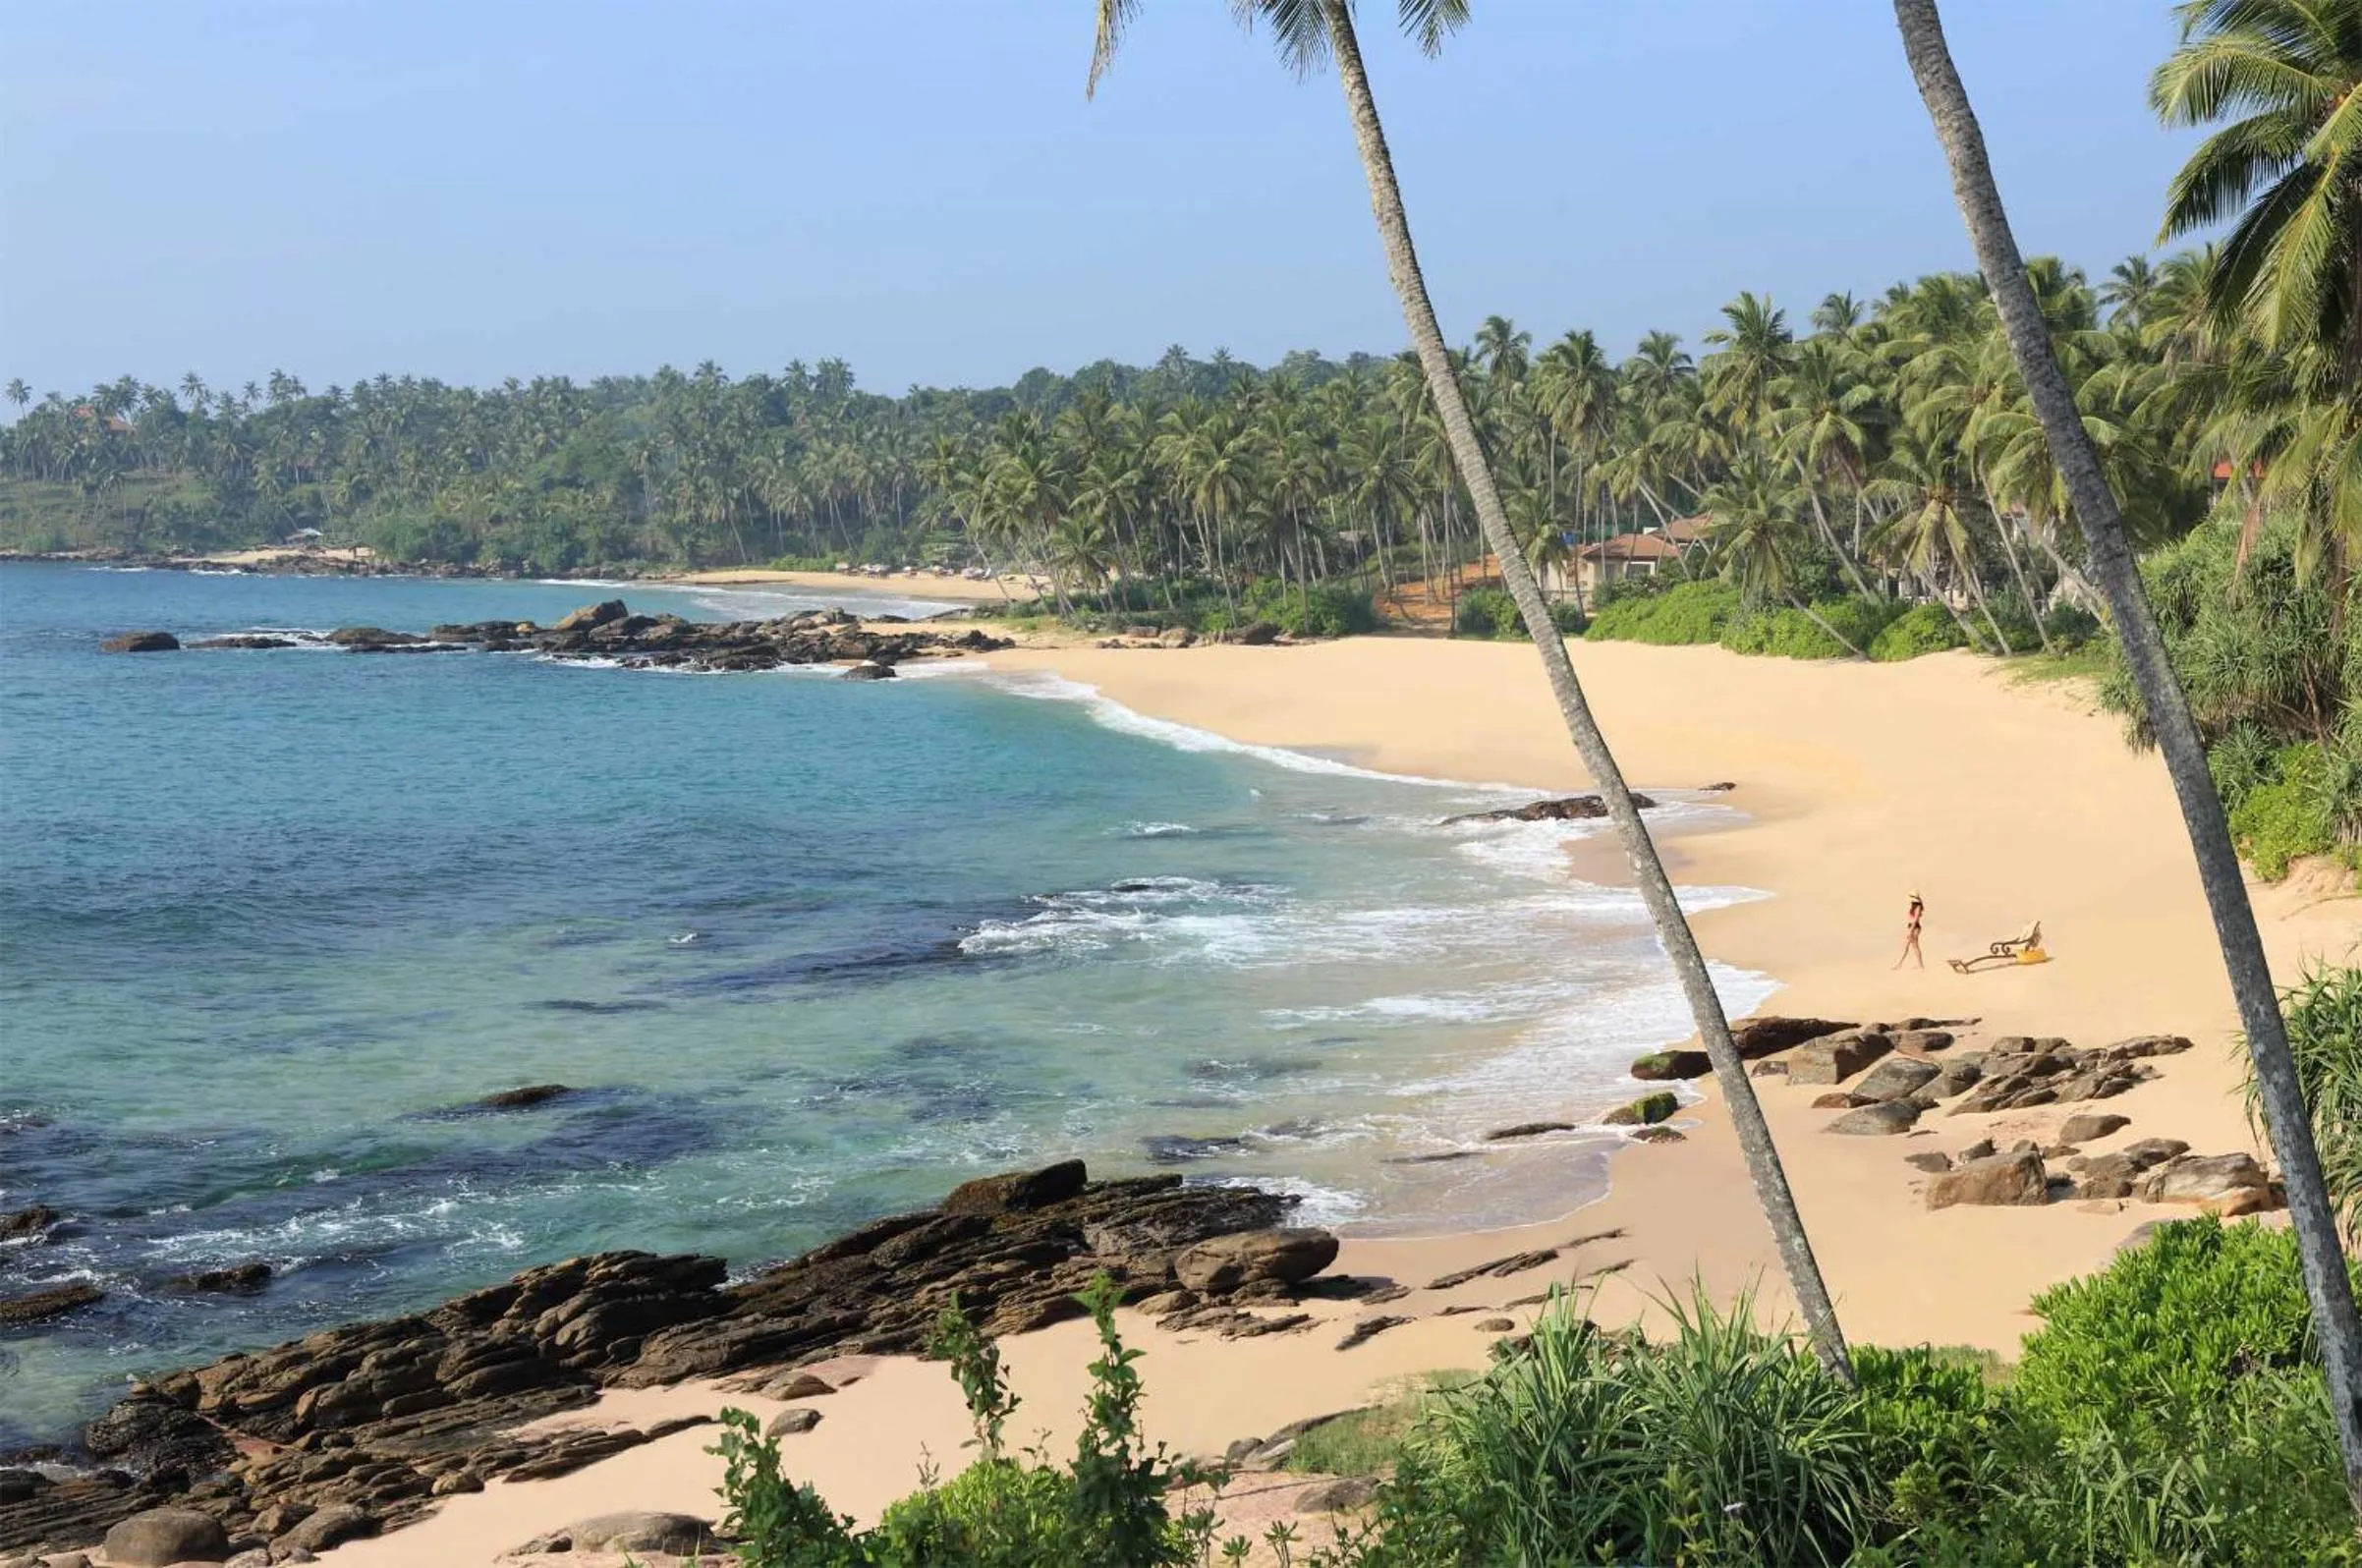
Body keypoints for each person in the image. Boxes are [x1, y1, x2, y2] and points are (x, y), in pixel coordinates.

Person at [1893, 891, 1925, 970]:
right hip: (1911, 927)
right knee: (1914, 946)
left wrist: (1910, 931)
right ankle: (1920, 965)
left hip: (1914, 928)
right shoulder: (1914, 906)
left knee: (1907, 946)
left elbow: (1915, 920)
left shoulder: (1918, 907)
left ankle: (1899, 964)